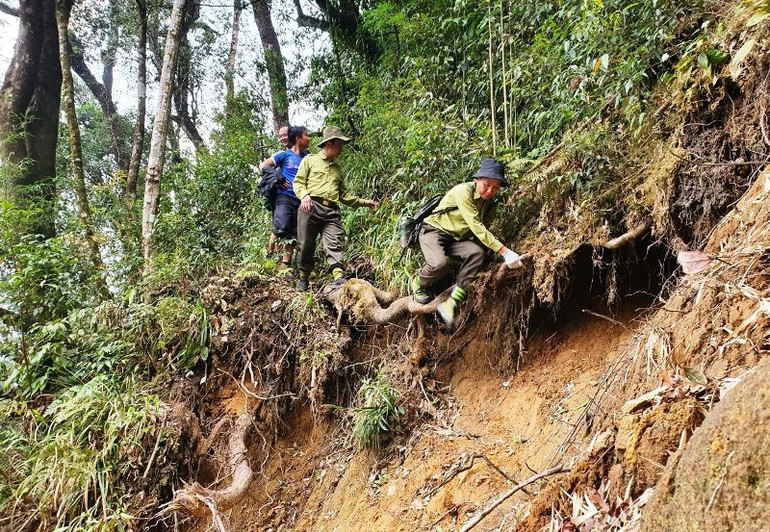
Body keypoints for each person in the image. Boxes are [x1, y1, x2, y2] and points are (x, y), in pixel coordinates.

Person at [413, 158, 524, 327]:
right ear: (477, 179)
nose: (490, 190)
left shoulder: (491, 202)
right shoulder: (462, 191)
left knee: (477, 254)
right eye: (486, 184)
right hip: (432, 231)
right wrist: (504, 252)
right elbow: (476, 226)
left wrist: (483, 254)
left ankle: (451, 303)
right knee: (440, 264)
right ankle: (419, 282)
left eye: (495, 187)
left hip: (455, 239)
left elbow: (483, 228)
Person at [292, 126, 379, 291]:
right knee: (305, 245)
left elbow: (344, 195)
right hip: (310, 206)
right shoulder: (309, 160)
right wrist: (304, 196)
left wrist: (364, 202)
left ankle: (338, 276)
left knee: (333, 242)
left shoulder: (337, 169)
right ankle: (303, 277)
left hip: (331, 211)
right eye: (340, 145)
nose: (341, 149)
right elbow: (298, 182)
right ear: (330, 143)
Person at [259, 126, 310, 268]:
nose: (309, 138)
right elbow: (263, 165)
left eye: (284, 135)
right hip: (284, 197)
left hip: (299, 200)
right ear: (298, 137)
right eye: (306, 135)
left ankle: (284, 265)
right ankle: (268, 255)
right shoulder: (284, 155)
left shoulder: (307, 157)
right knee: (281, 226)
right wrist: (278, 177)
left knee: (293, 233)